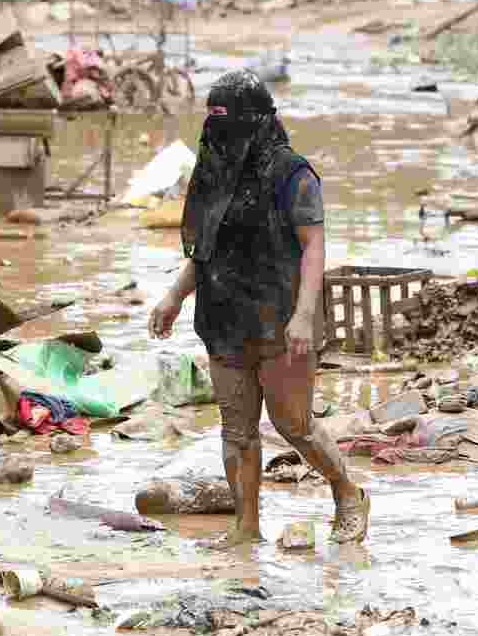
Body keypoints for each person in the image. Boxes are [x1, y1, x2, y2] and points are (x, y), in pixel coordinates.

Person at [148, 69, 370, 546]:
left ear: (257, 121)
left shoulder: (293, 173)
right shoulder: (213, 174)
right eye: (214, 123)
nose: (219, 134)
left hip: (283, 316)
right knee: (237, 429)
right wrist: (173, 296)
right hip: (224, 317)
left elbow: (314, 246)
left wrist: (305, 314)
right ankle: (246, 528)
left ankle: (348, 493)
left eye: (229, 123)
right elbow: (204, 253)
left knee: (295, 425)